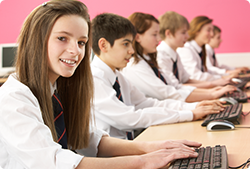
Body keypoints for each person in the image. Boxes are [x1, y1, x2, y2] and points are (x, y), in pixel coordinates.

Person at [0, 1, 202, 168]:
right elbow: (53, 162)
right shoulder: (14, 98)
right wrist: (142, 161)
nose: (76, 51)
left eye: (81, 42)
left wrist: (154, 147)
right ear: (36, 41)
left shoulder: (59, 89)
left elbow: (86, 138)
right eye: (62, 38)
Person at [91, 12, 224, 140]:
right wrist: (189, 114)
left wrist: (193, 107)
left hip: (126, 145)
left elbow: (146, 103)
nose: (131, 50)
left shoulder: (118, 77)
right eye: (125, 44)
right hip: (107, 157)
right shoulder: (95, 79)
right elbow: (130, 119)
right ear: (103, 45)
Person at [122, 12, 235, 103]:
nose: (159, 39)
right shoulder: (137, 65)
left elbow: (175, 86)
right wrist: (210, 92)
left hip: (168, 109)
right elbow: (167, 93)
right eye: (154, 34)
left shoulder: (151, 59)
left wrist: (211, 91)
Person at [156, 11, 236, 90]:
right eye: (183, 32)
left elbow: (186, 80)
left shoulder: (175, 54)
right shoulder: (161, 56)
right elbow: (176, 87)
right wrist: (213, 86)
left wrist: (215, 84)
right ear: (168, 34)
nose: (187, 36)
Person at [177, 16, 237, 81]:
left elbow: (206, 71)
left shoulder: (200, 49)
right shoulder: (186, 49)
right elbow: (195, 76)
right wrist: (222, 77)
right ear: (197, 30)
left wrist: (226, 75)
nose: (212, 34)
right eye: (208, 30)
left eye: (212, 30)